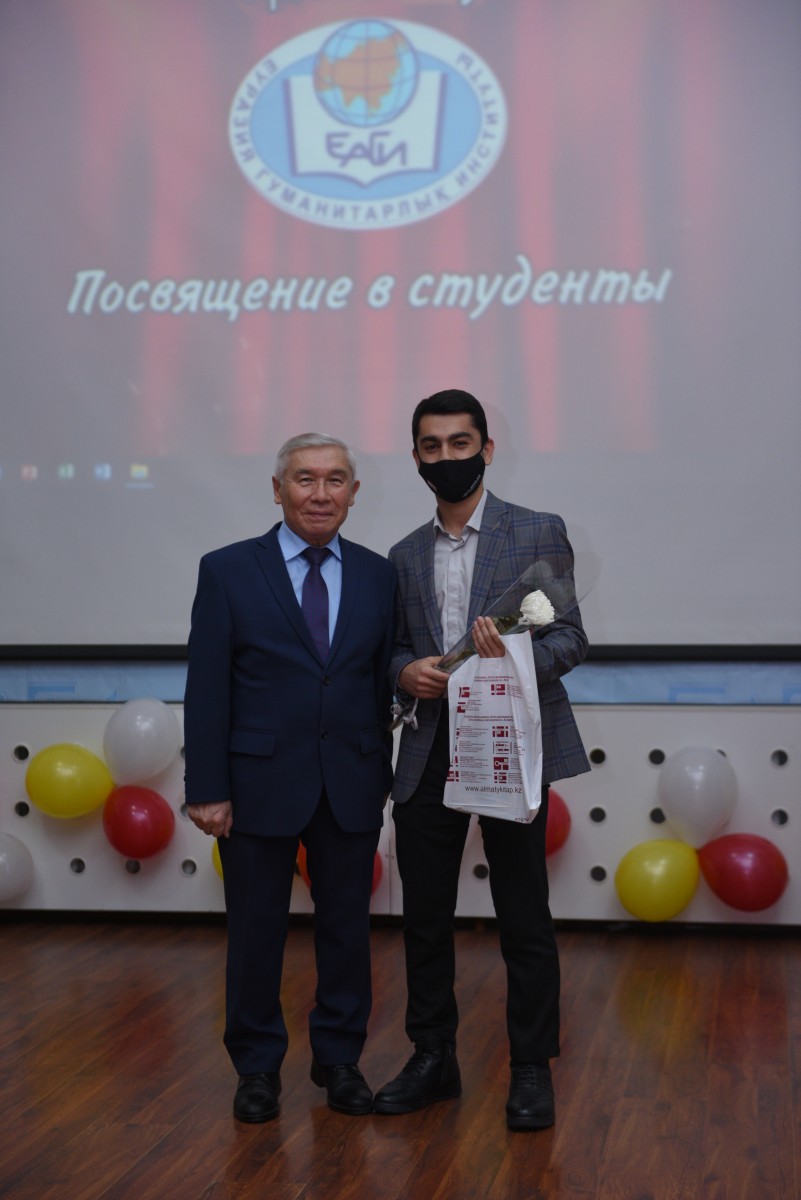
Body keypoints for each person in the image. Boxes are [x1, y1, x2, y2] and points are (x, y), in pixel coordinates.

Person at [373, 390, 590, 1131]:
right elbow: (396, 651)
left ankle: (530, 1067)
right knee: (424, 918)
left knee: (523, 914)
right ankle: (433, 1057)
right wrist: (405, 673)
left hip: (508, 747)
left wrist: (514, 662)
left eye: (459, 444)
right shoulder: (402, 555)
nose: (447, 458)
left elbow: (569, 637)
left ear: (486, 449)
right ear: (415, 458)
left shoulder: (536, 530)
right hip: (429, 750)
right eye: (431, 447)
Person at [183, 433, 396, 1123]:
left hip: (350, 781)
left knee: (346, 931)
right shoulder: (227, 570)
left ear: (353, 494)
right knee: (255, 933)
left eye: (335, 480)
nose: (320, 493)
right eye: (305, 479)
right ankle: (255, 1068)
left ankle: (339, 1060)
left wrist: (381, 766)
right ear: (277, 490)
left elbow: (377, 680)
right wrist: (206, 787)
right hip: (255, 786)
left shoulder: (379, 575)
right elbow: (207, 687)